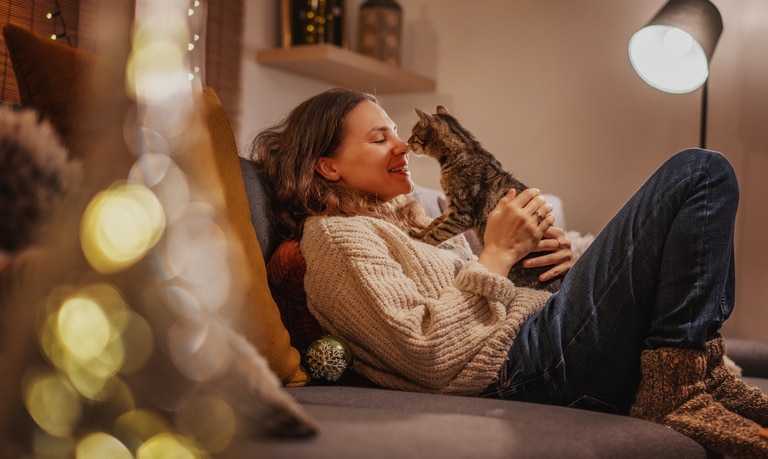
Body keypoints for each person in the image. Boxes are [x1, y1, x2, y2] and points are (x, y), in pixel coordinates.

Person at [248, 88, 768, 457]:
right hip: (521, 367)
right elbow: (424, 353)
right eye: (380, 139)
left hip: (543, 337)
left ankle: (697, 374)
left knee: (690, 209)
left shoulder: (425, 227)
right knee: (699, 172)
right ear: (328, 166)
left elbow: (488, 298)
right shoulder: (335, 238)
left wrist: (555, 268)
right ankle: (678, 388)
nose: (404, 146)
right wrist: (493, 256)